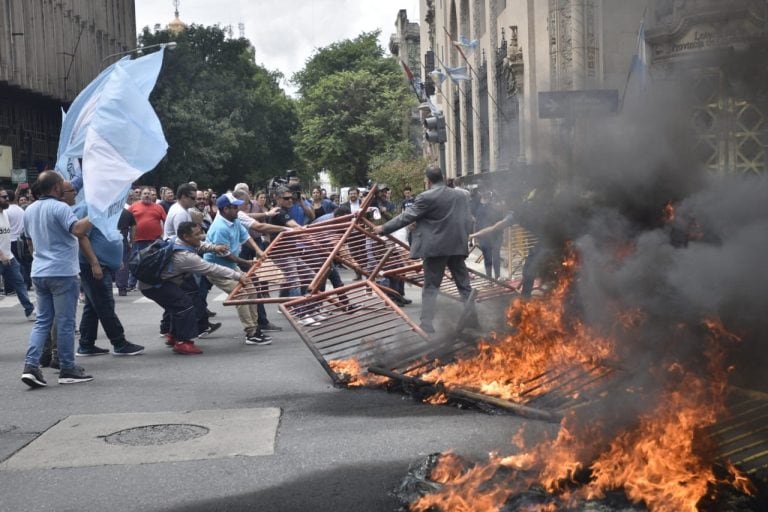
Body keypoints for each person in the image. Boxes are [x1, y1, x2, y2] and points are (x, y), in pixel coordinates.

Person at [21, 171, 101, 388]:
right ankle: (67, 367)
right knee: (65, 322)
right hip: (62, 271)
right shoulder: (60, 207)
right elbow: (78, 230)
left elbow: (29, 242)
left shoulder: (30, 210)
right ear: (56, 188)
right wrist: (97, 213)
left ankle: (31, 365)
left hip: (39, 271)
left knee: (43, 321)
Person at [374, 166, 474, 334]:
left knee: (431, 287)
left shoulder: (426, 197)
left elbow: (407, 216)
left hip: (436, 248)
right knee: (464, 286)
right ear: (443, 177)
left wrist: (383, 228)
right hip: (457, 246)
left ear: (428, 181)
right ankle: (473, 319)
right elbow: (464, 218)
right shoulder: (461, 195)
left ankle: (427, 323)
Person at [140, 222, 243, 355]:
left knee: (176, 305)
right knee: (185, 305)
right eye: (197, 234)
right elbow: (211, 269)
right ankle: (183, 342)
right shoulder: (185, 257)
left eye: (200, 233)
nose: (200, 237)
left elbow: (200, 246)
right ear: (186, 236)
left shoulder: (176, 240)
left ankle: (173, 336)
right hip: (153, 285)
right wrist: (237, 275)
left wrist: (215, 248)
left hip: (156, 282)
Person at [73, 202, 145, 357]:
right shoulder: (87, 208)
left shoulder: (105, 207)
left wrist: (114, 259)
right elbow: (81, 237)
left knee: (93, 307)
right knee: (105, 305)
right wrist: (94, 263)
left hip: (102, 265)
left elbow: (107, 235)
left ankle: (86, 344)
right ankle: (119, 343)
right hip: (94, 266)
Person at [203, 192, 272, 345]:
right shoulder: (220, 228)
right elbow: (226, 255)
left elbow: (245, 237)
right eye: (234, 207)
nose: (238, 209)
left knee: (252, 290)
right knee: (241, 295)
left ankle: (255, 327)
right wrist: (246, 262)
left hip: (231, 265)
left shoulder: (234, 219)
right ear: (225, 209)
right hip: (216, 267)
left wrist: (258, 251)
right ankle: (251, 332)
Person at [0, 187, 36, 320]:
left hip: (9, 257)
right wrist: (1, 255)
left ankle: (29, 310)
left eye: (7, 196)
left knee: (20, 282)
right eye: (4, 197)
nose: (7, 199)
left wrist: (6, 254)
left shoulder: (5, 214)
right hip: (3, 257)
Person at [128, 187, 167, 288]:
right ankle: (131, 283)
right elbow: (125, 219)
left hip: (154, 240)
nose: (147, 195)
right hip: (137, 239)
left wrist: (164, 236)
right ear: (140, 195)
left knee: (154, 261)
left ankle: (153, 281)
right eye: (144, 194)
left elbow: (166, 221)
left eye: (149, 194)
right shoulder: (133, 207)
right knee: (136, 262)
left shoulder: (158, 207)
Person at [472, 186, 505, 280]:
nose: (484, 193)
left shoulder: (495, 204)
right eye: (482, 191)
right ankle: (489, 278)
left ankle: (497, 277)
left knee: (496, 256)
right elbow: (474, 218)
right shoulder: (476, 204)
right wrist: (476, 236)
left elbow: (501, 219)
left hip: (496, 235)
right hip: (483, 236)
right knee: (487, 258)